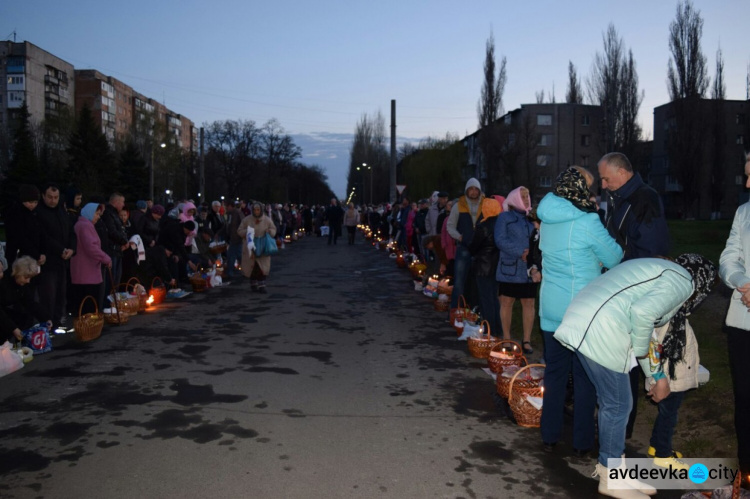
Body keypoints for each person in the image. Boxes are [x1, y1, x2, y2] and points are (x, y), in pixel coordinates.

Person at [554, 255, 711, 498]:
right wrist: (657, 375)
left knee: (616, 404)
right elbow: (642, 315)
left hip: (583, 318)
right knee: (618, 405)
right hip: (601, 327)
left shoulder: (663, 270)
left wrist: (653, 374)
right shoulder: (684, 282)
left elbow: (645, 326)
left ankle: (617, 472)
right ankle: (610, 478)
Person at [537, 166, 624, 457]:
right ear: (579, 189)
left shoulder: (546, 219)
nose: (591, 193)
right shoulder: (587, 221)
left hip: (550, 308)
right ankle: (582, 442)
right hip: (581, 312)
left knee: (555, 374)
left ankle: (549, 435)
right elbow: (614, 257)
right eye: (588, 187)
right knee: (585, 379)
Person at [598, 152, 671, 440]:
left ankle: (623, 426)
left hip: (634, 288)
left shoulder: (644, 198)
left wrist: (623, 269)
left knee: (630, 357)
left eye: (606, 178)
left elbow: (652, 249)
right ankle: (617, 419)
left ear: (622, 173)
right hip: (620, 284)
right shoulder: (620, 197)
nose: (603, 184)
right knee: (619, 355)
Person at [641, 255, 716, 471]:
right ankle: (663, 455)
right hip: (669, 375)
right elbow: (660, 345)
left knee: (666, 412)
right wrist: (660, 377)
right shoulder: (673, 311)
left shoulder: (672, 305)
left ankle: (657, 446)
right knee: (669, 414)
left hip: (667, 373)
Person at [719, 150, 750, 486]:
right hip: (743, 321)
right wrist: (742, 283)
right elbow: (729, 258)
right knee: (745, 399)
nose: (747, 182)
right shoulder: (744, 212)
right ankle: (747, 469)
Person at [495, 186, 535, 352]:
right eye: (523, 197)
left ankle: (526, 340)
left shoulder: (532, 219)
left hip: (528, 269)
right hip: (509, 268)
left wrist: (532, 254)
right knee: (507, 302)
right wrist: (520, 252)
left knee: (529, 303)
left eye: (527, 197)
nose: (526, 200)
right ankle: (506, 338)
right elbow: (500, 240)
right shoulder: (504, 217)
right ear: (514, 199)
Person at [35, 183, 76, 332]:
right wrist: (61, 249)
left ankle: (59, 320)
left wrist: (72, 248)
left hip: (63, 260)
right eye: (50, 197)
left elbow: (71, 231)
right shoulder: (39, 213)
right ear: (43, 196)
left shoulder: (61, 212)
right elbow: (44, 236)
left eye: (56, 197)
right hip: (49, 261)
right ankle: (48, 324)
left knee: (61, 293)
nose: (53, 200)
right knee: (48, 295)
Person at [447, 178, 486, 309]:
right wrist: (459, 237)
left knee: (478, 283)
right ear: (466, 190)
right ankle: (454, 311)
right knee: (459, 282)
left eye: (476, 189)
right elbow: (450, 226)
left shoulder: (485, 204)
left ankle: (476, 312)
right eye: (471, 189)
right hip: (463, 248)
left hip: (480, 249)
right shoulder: (458, 205)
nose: (474, 192)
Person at [467, 197, 501, 337]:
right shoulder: (500, 225)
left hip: (483, 266)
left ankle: (488, 328)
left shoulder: (483, 226)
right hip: (497, 266)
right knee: (495, 298)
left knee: (485, 298)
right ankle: (497, 328)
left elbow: (473, 246)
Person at [71, 203, 112, 315]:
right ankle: (89, 327)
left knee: (86, 302)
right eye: (97, 214)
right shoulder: (85, 226)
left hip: (86, 271)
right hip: (86, 272)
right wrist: (106, 258)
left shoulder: (85, 225)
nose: (98, 217)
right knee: (89, 303)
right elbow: (91, 247)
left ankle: (89, 325)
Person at [0, 256, 50, 343]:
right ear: (18, 273)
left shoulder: (22, 285)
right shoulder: (3, 283)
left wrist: (46, 319)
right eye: (26, 278)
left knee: (26, 317)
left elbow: (30, 302)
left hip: (6, 311)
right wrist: (13, 328)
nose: (28, 281)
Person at [4, 184, 45, 271]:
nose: (33, 205)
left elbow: (40, 234)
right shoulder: (15, 214)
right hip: (19, 256)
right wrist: (36, 254)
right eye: (30, 202)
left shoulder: (34, 214)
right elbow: (19, 238)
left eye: (35, 202)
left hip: (33, 256)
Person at [238, 202, 277, 292]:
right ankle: (253, 283)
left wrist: (269, 231)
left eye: (258, 210)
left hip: (263, 246)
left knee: (262, 266)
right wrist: (247, 232)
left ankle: (262, 285)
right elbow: (239, 230)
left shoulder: (267, 220)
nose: (256, 211)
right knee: (253, 266)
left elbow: (273, 229)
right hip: (250, 246)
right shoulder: (247, 220)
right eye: (255, 210)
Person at [100, 193, 129, 294]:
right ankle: (109, 304)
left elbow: (121, 230)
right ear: (116, 202)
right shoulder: (108, 214)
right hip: (112, 250)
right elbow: (112, 231)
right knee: (111, 280)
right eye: (122, 202)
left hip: (117, 250)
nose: (123, 204)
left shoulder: (114, 214)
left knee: (116, 279)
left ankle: (114, 303)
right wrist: (124, 241)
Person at [224, 202, 244, 278]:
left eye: (227, 206)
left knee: (231, 255)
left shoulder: (237, 213)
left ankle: (230, 272)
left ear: (231, 206)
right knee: (238, 256)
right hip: (233, 239)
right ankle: (245, 270)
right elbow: (227, 225)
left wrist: (241, 234)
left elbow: (243, 224)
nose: (226, 208)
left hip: (237, 238)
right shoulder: (230, 214)